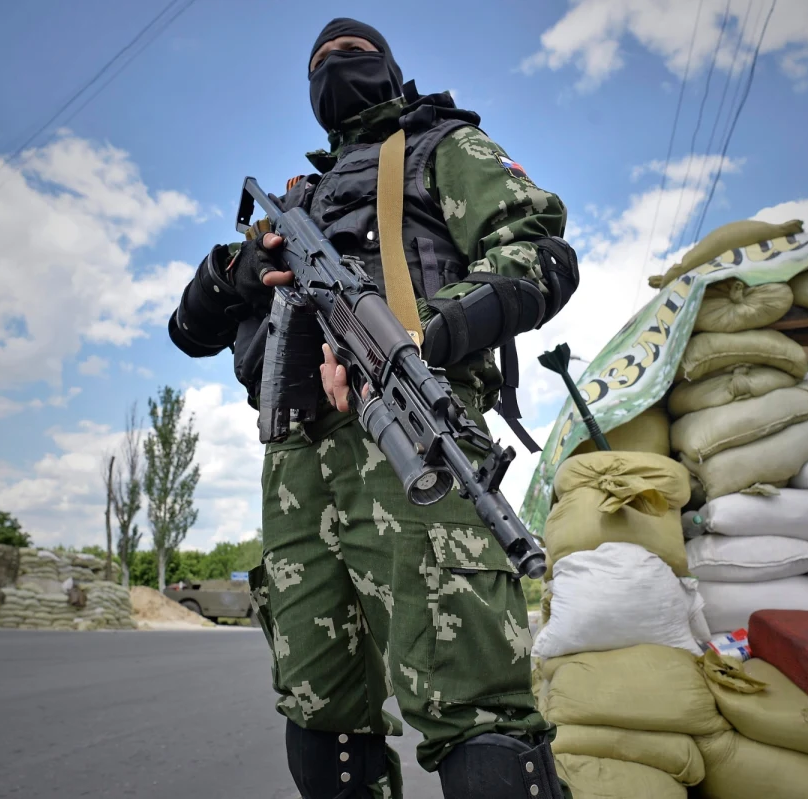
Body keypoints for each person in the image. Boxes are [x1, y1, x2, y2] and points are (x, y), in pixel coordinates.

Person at [168, 18, 578, 799]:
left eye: (352, 54)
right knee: (321, 709)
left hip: (410, 433)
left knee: (472, 698)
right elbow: (187, 329)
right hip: (295, 463)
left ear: (390, 70)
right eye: (319, 61)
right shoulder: (292, 206)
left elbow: (538, 253)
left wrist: (423, 335)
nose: (333, 65)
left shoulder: (441, 147)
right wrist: (243, 270)